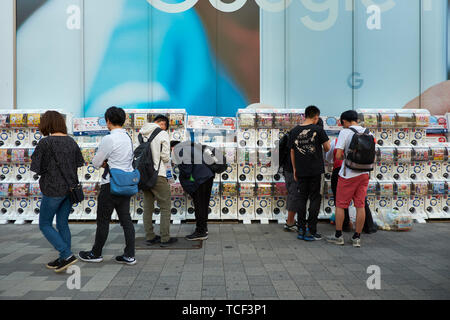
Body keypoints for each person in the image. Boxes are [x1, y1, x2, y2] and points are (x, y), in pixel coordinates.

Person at [79, 107, 137, 265]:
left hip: (110, 185)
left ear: (108, 121)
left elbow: (96, 162)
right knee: (126, 221)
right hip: (125, 184)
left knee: (103, 220)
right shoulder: (127, 137)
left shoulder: (109, 139)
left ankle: (96, 253)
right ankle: (129, 255)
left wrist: (106, 163)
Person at [30, 111, 84, 272]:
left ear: (47, 124)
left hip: (52, 189)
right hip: (70, 189)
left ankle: (66, 254)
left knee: (45, 224)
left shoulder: (45, 143)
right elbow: (78, 163)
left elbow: (36, 168)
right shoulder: (71, 142)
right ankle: (63, 258)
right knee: (62, 223)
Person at [326, 110, 375, 248]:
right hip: (364, 174)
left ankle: (338, 236)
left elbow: (338, 155)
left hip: (348, 175)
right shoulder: (369, 133)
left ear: (344, 121)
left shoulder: (345, 132)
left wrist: (346, 158)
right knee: (360, 205)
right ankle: (357, 238)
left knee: (341, 205)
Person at [289, 106, 330, 241]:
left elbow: (292, 151)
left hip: (300, 170)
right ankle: (311, 230)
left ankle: (301, 228)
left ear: (305, 115)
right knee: (314, 199)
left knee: (302, 198)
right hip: (315, 170)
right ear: (316, 117)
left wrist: (295, 169)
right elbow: (327, 147)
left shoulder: (294, 131)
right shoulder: (318, 129)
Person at [139, 115, 178, 247]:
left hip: (143, 175)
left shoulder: (140, 133)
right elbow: (165, 157)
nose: (164, 128)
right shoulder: (162, 134)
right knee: (165, 206)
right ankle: (165, 238)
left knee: (148, 207)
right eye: (164, 125)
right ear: (162, 123)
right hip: (158, 174)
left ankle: (150, 237)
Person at [325, 139, 377, 234]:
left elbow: (329, 158)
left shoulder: (336, 141)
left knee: (340, 201)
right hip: (361, 171)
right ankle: (368, 226)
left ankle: (344, 226)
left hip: (342, 171)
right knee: (361, 202)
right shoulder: (365, 138)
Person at [172, 141, 215, 240]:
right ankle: (203, 228)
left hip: (200, 179)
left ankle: (200, 232)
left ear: (173, 148)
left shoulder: (180, 150)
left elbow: (187, 170)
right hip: (208, 177)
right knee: (204, 205)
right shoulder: (192, 148)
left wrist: (181, 172)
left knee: (199, 205)